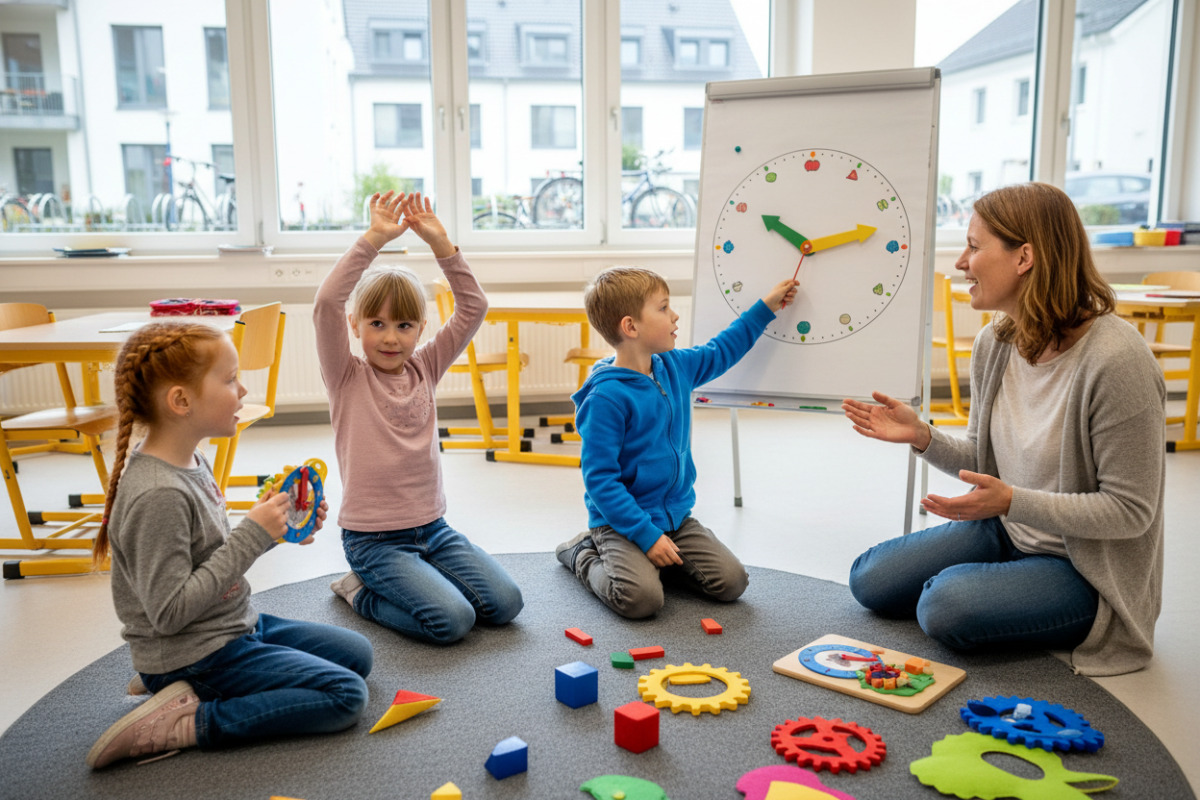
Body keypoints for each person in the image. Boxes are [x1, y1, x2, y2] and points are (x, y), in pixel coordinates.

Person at [842, 182, 1165, 677]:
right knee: (869, 580)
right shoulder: (996, 341)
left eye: (974, 247)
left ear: (1024, 257)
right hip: (1008, 532)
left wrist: (1012, 501)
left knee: (943, 606)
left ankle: (1004, 591)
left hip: (1081, 570)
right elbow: (983, 457)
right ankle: (1003, 585)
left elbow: (1131, 512)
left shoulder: (1117, 361)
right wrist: (922, 436)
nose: (961, 262)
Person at [87, 321, 372, 769]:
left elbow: (213, 558)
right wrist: (252, 535)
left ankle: (173, 684)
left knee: (358, 654)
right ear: (181, 401)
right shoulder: (158, 493)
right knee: (345, 695)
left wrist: (274, 531)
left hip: (230, 625)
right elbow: (169, 613)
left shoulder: (191, 461)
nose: (242, 390)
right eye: (229, 379)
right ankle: (187, 718)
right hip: (196, 650)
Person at [315, 190, 522, 644]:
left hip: (433, 529)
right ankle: (360, 593)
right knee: (453, 621)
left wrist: (442, 244)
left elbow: (473, 307)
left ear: (420, 330)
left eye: (404, 326)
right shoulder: (346, 375)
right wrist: (373, 238)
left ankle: (419, 574)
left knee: (507, 605)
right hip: (373, 542)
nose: (391, 338)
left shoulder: (425, 367)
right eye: (377, 324)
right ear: (355, 326)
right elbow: (327, 303)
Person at [555, 266, 798, 618]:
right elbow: (600, 481)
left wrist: (766, 307)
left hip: (676, 518)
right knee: (641, 601)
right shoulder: (606, 398)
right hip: (621, 522)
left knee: (733, 583)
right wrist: (646, 536)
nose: (675, 315)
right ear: (631, 327)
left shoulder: (675, 366)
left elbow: (722, 349)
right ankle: (581, 553)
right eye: (664, 308)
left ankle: (656, 562)